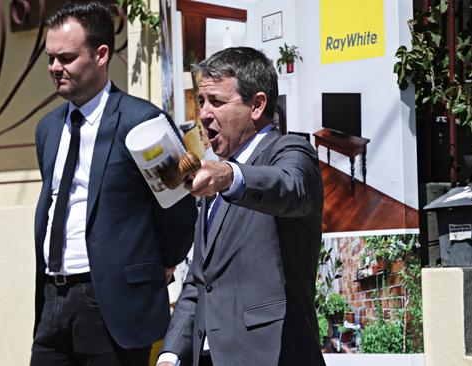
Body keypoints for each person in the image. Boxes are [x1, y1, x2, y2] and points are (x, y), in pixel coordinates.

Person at [32, 2, 197, 366]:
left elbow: (180, 208)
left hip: (113, 307)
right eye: (50, 58)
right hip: (52, 301)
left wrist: (163, 262)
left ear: (101, 54)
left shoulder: (143, 121)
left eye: (66, 58)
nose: (54, 68)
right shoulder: (47, 129)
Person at [157, 47, 326, 366]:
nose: (204, 113)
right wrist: (170, 354)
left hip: (273, 355)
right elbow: (199, 281)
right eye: (203, 101)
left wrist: (229, 175)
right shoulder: (214, 176)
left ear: (257, 104)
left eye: (217, 101)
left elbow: (291, 187)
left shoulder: (289, 151)